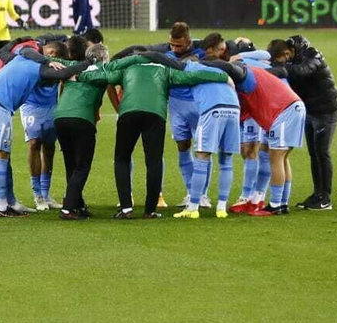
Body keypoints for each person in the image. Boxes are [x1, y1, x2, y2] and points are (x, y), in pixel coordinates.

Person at [74, 55, 225, 219]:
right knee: (154, 161)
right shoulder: (165, 70)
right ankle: (150, 210)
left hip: (128, 114)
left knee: (122, 159)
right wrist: (223, 75)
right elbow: (194, 75)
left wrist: (79, 75)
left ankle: (126, 209)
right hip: (155, 115)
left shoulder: (127, 68)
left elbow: (104, 76)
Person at [0, 41, 81, 217]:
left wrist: (19, 40)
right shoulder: (37, 67)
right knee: (1, 155)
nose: (49, 56)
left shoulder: (16, 58)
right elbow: (63, 72)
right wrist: (90, 62)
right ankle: (1, 207)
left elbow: (5, 51)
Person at [196, 53, 307, 216]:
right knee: (282, 157)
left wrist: (200, 65)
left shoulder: (246, 75)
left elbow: (228, 67)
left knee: (276, 158)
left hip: (284, 112)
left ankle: (275, 205)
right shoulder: (254, 77)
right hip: (290, 109)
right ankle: (282, 203)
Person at [119, 22, 206, 207]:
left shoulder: (202, 52)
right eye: (172, 45)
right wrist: (115, 58)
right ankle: (191, 193)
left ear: (189, 41)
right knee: (183, 146)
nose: (174, 49)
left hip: (199, 104)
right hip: (175, 105)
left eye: (179, 46)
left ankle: (202, 195)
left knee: (202, 149)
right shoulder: (165, 51)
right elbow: (138, 49)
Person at [267, 36, 337, 211]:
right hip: (311, 109)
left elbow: (303, 70)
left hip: (326, 110)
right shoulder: (294, 60)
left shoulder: (313, 55)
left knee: (322, 153)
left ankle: (325, 198)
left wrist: (281, 68)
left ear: (290, 51)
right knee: (314, 153)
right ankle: (317, 194)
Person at [53, 42, 110, 219]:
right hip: (82, 119)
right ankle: (68, 208)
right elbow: (115, 76)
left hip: (60, 117)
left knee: (71, 163)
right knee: (82, 165)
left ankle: (77, 204)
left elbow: (51, 60)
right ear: (104, 58)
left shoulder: (72, 67)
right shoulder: (103, 72)